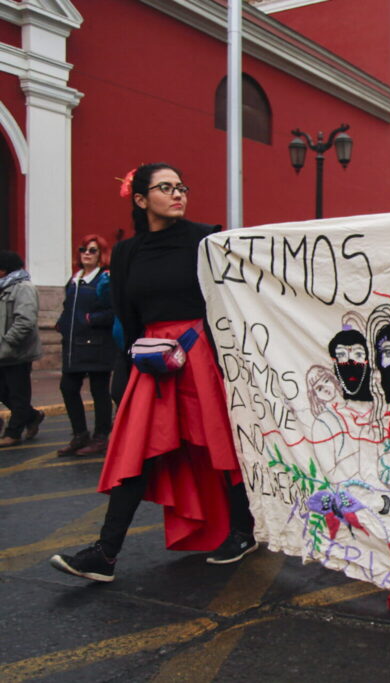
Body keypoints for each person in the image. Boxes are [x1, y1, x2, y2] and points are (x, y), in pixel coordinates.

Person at [50, 163, 255, 583]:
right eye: (166, 188)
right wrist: (125, 367)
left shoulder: (206, 238)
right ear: (141, 199)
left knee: (217, 444)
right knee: (137, 449)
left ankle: (243, 531)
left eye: (181, 186)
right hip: (152, 359)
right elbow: (127, 314)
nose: (178, 194)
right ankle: (105, 554)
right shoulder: (126, 253)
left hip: (201, 355)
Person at [55, 234, 117, 456]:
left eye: (92, 250)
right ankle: (79, 434)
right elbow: (67, 307)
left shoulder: (105, 280)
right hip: (73, 344)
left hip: (96, 343)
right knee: (68, 387)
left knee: (99, 390)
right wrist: (61, 323)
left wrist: (91, 320)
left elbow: (113, 311)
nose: (86, 254)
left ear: (101, 255)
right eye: (83, 250)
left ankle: (101, 436)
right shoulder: (74, 279)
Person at [0, 251, 45, 447]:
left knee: (18, 394)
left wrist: (7, 343)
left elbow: (25, 321)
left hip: (17, 352)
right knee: (3, 392)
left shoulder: (23, 288)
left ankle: (14, 432)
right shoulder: (3, 287)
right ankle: (33, 416)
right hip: (3, 352)